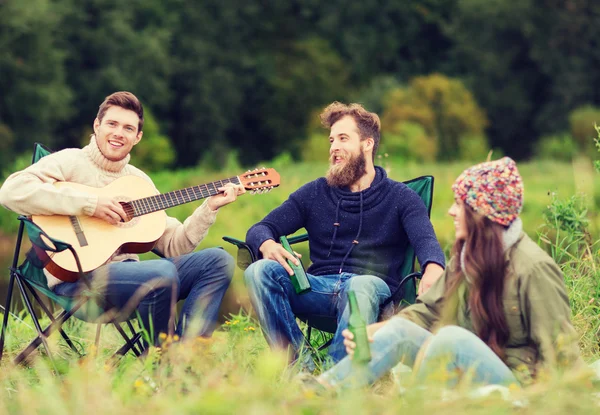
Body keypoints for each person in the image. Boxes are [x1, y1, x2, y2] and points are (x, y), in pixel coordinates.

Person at [0, 91, 245, 345]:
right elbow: (10, 192)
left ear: (137, 137)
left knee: (217, 261)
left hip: (131, 278)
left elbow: (175, 246)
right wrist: (90, 204)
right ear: (97, 126)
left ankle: (189, 351)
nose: (119, 133)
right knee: (161, 273)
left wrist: (210, 207)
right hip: (79, 281)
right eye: (112, 124)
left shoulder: (139, 182)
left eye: (128, 128)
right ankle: (164, 360)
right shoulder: (70, 161)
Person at [316, 157, 582, 389]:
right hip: (468, 372)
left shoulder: (535, 269)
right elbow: (429, 311)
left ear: (482, 213)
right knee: (400, 331)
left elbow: (561, 357)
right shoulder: (467, 258)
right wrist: (378, 330)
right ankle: (321, 392)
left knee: (450, 337)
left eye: (459, 203)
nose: (451, 211)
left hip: (518, 389)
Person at [244, 102, 445, 366]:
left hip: (370, 288)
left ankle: (336, 376)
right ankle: (299, 368)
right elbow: (260, 228)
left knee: (360, 285)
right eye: (331, 140)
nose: (333, 147)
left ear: (367, 144)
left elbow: (426, 241)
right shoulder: (315, 192)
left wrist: (433, 267)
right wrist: (267, 244)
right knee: (257, 272)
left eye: (343, 139)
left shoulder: (401, 197)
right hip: (317, 288)